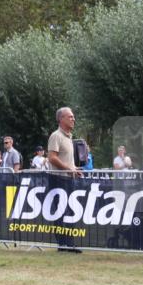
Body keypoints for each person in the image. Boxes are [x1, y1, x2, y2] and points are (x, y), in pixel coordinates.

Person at [47, 107, 83, 252]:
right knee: (61, 212)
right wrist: (69, 169)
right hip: (58, 179)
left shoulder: (69, 137)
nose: (73, 119)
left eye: (73, 116)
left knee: (70, 211)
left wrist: (74, 169)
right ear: (61, 119)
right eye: (70, 116)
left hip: (68, 178)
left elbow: (65, 160)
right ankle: (63, 244)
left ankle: (69, 243)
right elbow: (52, 158)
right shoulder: (56, 136)